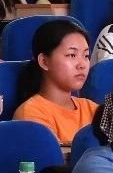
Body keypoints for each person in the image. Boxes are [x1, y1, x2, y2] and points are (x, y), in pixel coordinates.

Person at [12, 19, 98, 147]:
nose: (82, 65)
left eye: (86, 56)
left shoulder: (92, 109)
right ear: (44, 61)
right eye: (71, 55)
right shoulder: (30, 114)